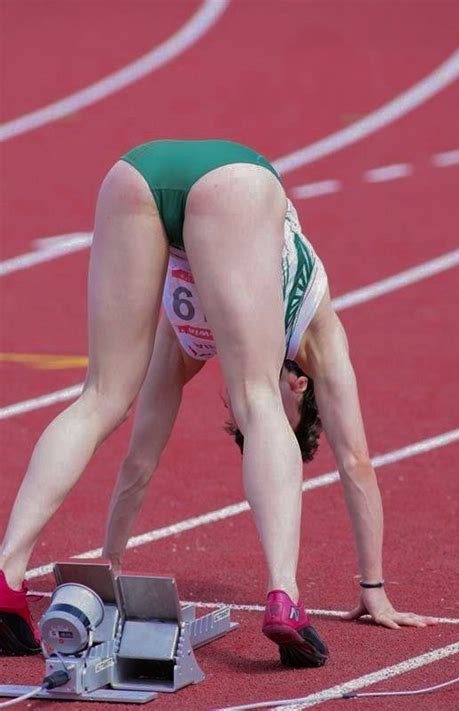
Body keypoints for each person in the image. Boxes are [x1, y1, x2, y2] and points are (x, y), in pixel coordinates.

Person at [0, 140, 436, 665]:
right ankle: (284, 596)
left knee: (100, 398)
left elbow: (142, 458)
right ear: (301, 387)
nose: (232, 412)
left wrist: (108, 564)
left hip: (139, 172)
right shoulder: (321, 338)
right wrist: (374, 584)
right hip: (237, 181)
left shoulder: (187, 343)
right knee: (258, 398)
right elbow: (356, 462)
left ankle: (7, 574)